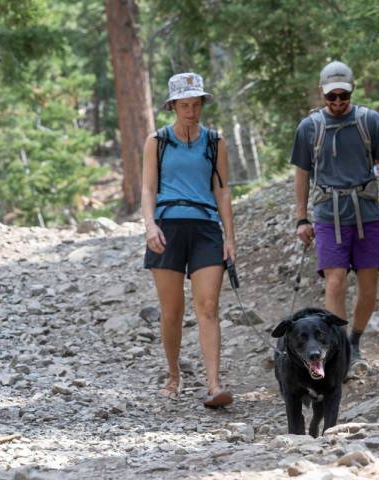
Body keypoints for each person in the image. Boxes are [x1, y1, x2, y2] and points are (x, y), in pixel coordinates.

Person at [291, 61, 379, 365]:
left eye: (342, 96)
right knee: (335, 281)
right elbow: (301, 174)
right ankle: (339, 349)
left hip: (366, 211)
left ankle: (355, 340)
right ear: (322, 93)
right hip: (327, 213)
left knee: (369, 285)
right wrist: (301, 218)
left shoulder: (370, 121)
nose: (336, 102)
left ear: (351, 92)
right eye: (331, 96)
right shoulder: (309, 128)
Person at [141, 72, 236, 407]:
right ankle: (173, 375)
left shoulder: (215, 141)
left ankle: (214, 384)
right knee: (172, 311)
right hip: (167, 226)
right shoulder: (158, 141)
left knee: (208, 306)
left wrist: (230, 236)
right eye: (185, 105)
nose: (192, 111)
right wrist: (150, 225)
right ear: (173, 106)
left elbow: (222, 191)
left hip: (206, 228)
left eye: (196, 104)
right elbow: (148, 188)